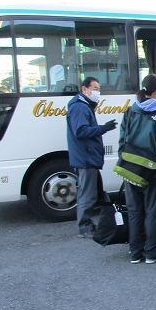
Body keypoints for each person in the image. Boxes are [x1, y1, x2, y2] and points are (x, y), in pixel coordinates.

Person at [119, 74, 156, 264]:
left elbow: (122, 140)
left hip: (130, 167)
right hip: (152, 169)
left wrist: (125, 162)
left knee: (134, 211)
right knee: (152, 211)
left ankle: (135, 252)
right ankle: (151, 252)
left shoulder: (130, 111)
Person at [66, 76, 117, 238]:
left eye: (98, 89)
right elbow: (81, 131)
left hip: (86, 156)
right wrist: (103, 128)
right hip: (86, 157)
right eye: (95, 89)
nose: (97, 92)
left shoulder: (83, 105)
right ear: (84, 89)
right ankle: (85, 227)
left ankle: (91, 224)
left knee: (90, 193)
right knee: (87, 195)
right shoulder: (80, 107)